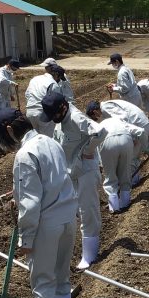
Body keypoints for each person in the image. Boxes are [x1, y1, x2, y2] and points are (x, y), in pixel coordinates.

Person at [10, 116, 78, 298]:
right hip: (68, 216)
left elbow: (30, 203)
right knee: (62, 273)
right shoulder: (51, 142)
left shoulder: (24, 154)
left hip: (47, 223)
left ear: (9, 131)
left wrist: (26, 238)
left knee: (42, 280)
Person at [41, 92, 103, 270]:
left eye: (54, 115)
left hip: (86, 171)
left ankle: (89, 255)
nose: (53, 119)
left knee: (87, 210)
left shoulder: (75, 117)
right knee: (77, 210)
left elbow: (100, 132)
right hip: (72, 171)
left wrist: (88, 151)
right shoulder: (60, 122)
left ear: (63, 108)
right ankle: (87, 247)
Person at [86, 100, 137, 211]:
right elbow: (137, 131)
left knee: (110, 176)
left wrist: (100, 163)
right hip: (126, 139)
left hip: (107, 142)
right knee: (125, 173)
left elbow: (94, 144)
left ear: (96, 114)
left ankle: (114, 207)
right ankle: (125, 203)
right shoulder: (118, 119)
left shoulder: (98, 126)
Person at [97, 97, 149, 181]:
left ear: (95, 112)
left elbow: (123, 118)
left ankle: (134, 181)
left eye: (95, 118)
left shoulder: (105, 108)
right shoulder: (105, 107)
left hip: (138, 126)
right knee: (130, 155)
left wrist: (132, 137)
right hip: (138, 124)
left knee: (131, 157)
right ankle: (132, 179)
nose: (97, 120)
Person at [25, 59, 65, 135]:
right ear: (56, 74)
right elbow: (55, 102)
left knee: (35, 138)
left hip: (30, 112)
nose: (59, 80)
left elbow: (27, 94)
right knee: (47, 139)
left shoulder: (35, 79)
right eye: (59, 78)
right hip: (43, 114)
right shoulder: (53, 84)